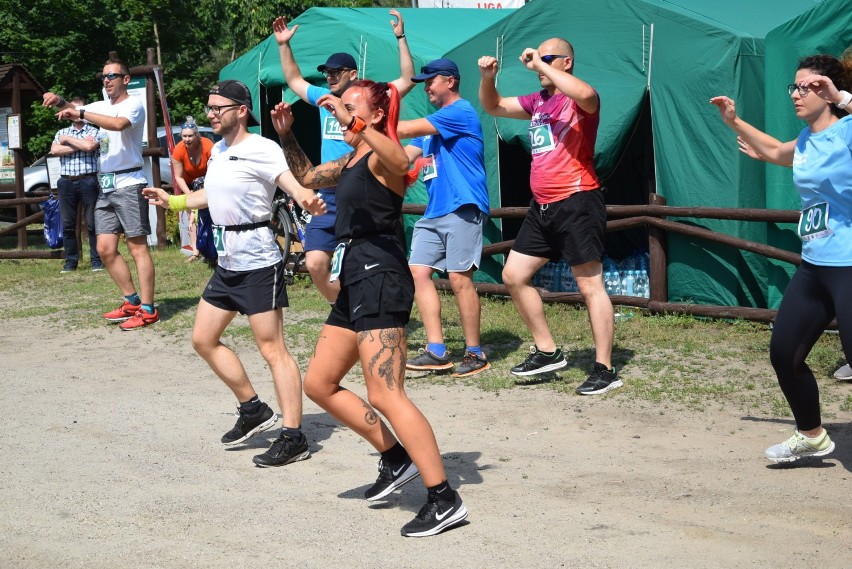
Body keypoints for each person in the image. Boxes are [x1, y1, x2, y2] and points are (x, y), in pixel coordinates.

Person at [274, 80, 468, 537]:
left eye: (350, 107)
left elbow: (402, 162)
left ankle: (443, 499)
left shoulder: (385, 153)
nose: (340, 114)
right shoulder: (352, 158)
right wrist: (286, 134)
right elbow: (305, 178)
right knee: (319, 383)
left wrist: (352, 119)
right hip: (354, 277)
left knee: (386, 393)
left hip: (381, 273)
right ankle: (396, 458)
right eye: (340, 108)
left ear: (375, 117)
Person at [143, 80, 326, 467]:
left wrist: (307, 197)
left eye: (217, 108)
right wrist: (172, 199)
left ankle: (294, 436)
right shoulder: (219, 151)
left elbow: (291, 184)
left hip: (258, 260)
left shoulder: (263, 148)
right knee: (203, 339)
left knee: (272, 349)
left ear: (241, 110)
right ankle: (254, 410)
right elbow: (210, 195)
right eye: (209, 108)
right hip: (228, 262)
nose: (211, 114)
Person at [710, 53, 852, 462]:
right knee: (784, 353)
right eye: (794, 86)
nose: (797, 94)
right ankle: (811, 435)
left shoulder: (846, 132)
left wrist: (842, 96)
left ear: (827, 91)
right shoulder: (808, 139)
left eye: (807, 86)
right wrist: (734, 121)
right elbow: (775, 150)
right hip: (815, 267)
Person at [477, 39, 620, 395]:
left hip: (577, 201)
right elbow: (492, 105)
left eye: (549, 56)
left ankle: (605, 368)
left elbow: (587, 93)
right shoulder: (538, 102)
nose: (539, 62)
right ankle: (547, 350)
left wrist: (540, 65)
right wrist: (487, 76)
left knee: (590, 285)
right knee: (513, 275)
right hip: (542, 207)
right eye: (538, 56)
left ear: (566, 62)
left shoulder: (579, 97)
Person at [272, 9, 415, 303]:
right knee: (314, 263)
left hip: (366, 185)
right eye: (326, 73)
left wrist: (400, 37)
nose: (329, 77)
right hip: (331, 187)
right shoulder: (325, 100)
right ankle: (342, 307)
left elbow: (408, 79)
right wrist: (284, 44)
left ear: (352, 75)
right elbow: (294, 79)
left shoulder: (372, 98)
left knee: (363, 256)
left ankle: (373, 304)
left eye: (335, 72)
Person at [43, 59, 158, 331]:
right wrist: (60, 101)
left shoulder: (133, 105)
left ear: (125, 79)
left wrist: (81, 113)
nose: (106, 81)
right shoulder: (98, 106)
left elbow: (118, 124)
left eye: (112, 76)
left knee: (137, 247)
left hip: (129, 183)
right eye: (104, 77)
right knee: (105, 248)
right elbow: (73, 110)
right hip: (106, 185)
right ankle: (131, 301)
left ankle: (149, 309)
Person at [396, 58, 491, 378]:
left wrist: (365, 121)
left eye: (430, 81)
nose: (426, 87)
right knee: (418, 272)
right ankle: (437, 350)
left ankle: (475, 352)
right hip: (434, 212)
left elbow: (405, 128)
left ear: (449, 81)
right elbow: (401, 159)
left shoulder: (460, 112)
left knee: (460, 279)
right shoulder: (430, 127)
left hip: (463, 206)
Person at [50, 96, 103, 273]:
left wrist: (69, 140)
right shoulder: (61, 132)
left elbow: (90, 147)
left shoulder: (95, 131)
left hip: (88, 180)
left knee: (92, 223)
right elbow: (55, 150)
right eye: (73, 108)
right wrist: (80, 144)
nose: (76, 113)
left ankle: (96, 260)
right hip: (66, 182)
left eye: (79, 109)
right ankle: (71, 261)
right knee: (68, 224)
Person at [170, 116, 214, 262]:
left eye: (190, 136)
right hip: (189, 185)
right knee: (191, 216)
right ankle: (195, 251)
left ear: (197, 135)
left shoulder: (207, 145)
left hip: (209, 182)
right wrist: (190, 195)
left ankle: (212, 247)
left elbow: (216, 171)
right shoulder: (178, 150)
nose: (187, 139)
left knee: (211, 214)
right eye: (184, 136)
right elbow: (178, 177)